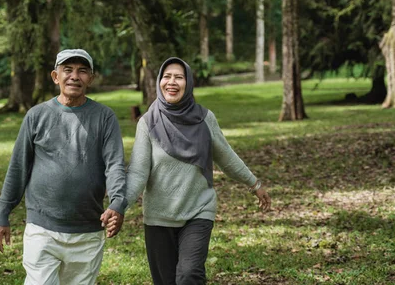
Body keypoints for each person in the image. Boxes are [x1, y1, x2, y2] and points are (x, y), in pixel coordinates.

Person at [104, 57, 271, 285]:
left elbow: (226, 157)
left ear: (189, 82)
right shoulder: (148, 123)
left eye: (179, 77)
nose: (172, 82)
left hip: (198, 210)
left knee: (189, 274)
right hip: (159, 217)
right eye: (167, 76)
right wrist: (119, 205)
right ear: (159, 81)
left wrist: (255, 184)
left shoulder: (205, 119)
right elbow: (137, 173)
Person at [0, 48, 127, 285]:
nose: (75, 76)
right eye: (68, 70)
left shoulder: (105, 117)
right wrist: (3, 213)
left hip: (87, 229)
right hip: (42, 228)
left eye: (82, 71)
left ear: (91, 79)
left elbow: (115, 164)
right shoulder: (37, 115)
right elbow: (18, 167)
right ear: (55, 77)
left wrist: (117, 203)